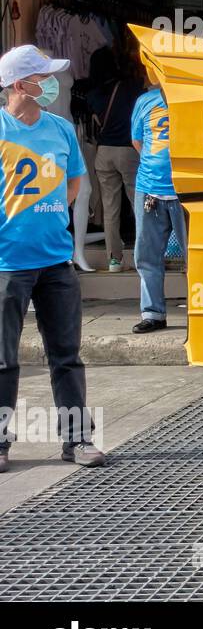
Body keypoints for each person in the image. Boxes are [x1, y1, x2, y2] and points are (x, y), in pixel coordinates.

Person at [0, 45, 106, 471]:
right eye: (43, 78)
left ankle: (77, 441)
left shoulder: (61, 130)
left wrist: (50, 213)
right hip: (7, 264)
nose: (51, 85)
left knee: (66, 355)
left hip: (56, 263)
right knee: (4, 359)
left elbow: (77, 180)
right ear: (21, 85)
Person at [131, 82, 183, 334]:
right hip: (149, 188)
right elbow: (137, 140)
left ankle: (200, 309)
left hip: (187, 189)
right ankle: (152, 313)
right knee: (147, 255)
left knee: (195, 255)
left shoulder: (192, 97)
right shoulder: (144, 100)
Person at [86, 48, 143, 273]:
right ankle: (141, 256)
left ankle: (114, 261)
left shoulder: (93, 94)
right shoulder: (131, 88)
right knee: (138, 205)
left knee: (110, 209)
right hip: (128, 152)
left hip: (104, 153)